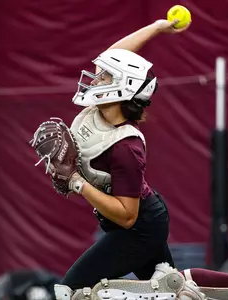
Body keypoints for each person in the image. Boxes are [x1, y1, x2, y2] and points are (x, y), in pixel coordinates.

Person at [57, 18, 190, 291]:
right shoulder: (103, 112)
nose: (96, 78)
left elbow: (127, 216)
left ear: (121, 88)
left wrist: (77, 182)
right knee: (173, 291)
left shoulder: (126, 147)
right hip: (136, 223)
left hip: (140, 227)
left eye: (104, 77)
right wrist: (156, 27)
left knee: (71, 289)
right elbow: (113, 55)